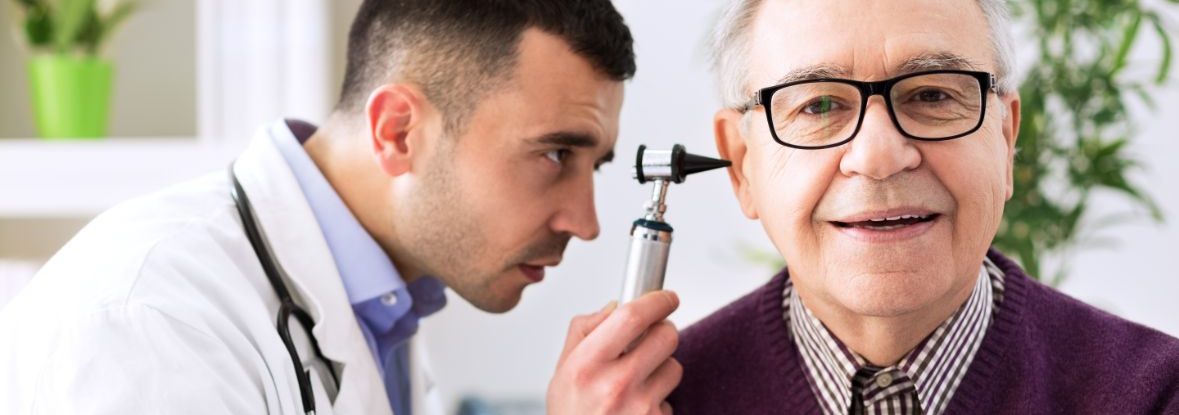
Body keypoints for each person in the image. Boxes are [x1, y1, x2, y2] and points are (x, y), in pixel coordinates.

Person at [0, 1, 682, 414]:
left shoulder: (388, 308)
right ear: (398, 132)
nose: (585, 222)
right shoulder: (150, 316)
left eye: (595, 164)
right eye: (555, 154)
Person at [667, 0, 1179, 413]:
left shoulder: (1156, 395)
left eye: (932, 96)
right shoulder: (662, 400)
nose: (879, 157)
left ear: (1005, 140)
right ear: (742, 164)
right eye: (818, 105)